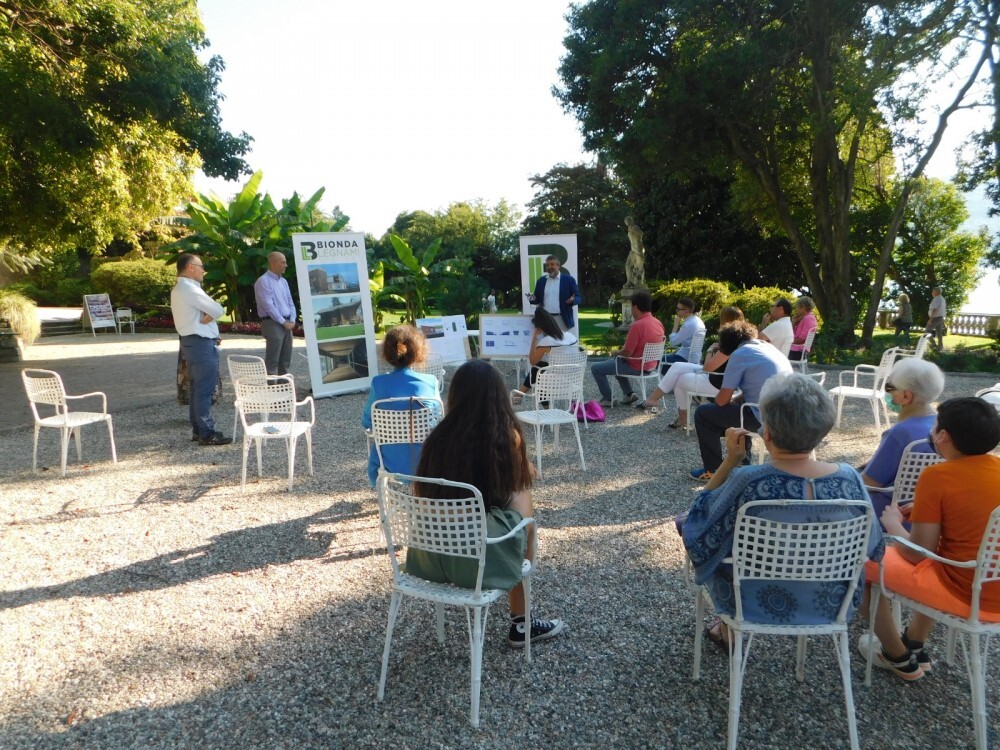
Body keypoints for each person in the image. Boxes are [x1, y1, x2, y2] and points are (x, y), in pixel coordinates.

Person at [682, 373, 884, 647]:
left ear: (767, 432)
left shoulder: (748, 480)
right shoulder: (849, 478)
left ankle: (729, 631)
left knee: (714, 537)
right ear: (823, 429)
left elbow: (698, 521)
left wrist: (730, 461)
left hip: (750, 603)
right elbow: (874, 547)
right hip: (831, 604)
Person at [406, 359, 566, 647]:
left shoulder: (437, 437)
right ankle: (521, 622)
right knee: (522, 496)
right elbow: (504, 492)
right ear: (497, 395)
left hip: (431, 555)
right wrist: (523, 468)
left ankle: (522, 620)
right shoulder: (505, 437)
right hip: (480, 560)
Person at [863, 397, 1000, 681]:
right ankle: (914, 642)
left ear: (942, 436)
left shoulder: (938, 475)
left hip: (970, 595)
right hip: (990, 584)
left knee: (859, 564)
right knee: (947, 548)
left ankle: (895, 655)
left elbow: (917, 553)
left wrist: (892, 524)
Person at [690, 320, 792, 481]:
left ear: (727, 345)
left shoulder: (740, 354)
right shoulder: (767, 347)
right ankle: (743, 462)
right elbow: (757, 387)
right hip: (788, 413)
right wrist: (736, 400)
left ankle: (713, 469)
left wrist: (726, 400)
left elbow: (721, 401)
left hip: (766, 418)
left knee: (703, 414)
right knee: (740, 408)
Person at [859, 358, 944, 522]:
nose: (887, 392)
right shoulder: (942, 423)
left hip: (887, 512)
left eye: (889, 387)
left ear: (906, 396)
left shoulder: (900, 432)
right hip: (925, 512)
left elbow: (869, 482)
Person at [639, 309, 752, 429]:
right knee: (677, 365)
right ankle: (654, 399)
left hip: (718, 382)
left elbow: (707, 367)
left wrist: (710, 350)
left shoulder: (730, 340)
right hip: (721, 377)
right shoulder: (741, 338)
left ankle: (680, 418)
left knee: (679, 379)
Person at [360, 325, 440, 487]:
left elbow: (367, 421)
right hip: (426, 459)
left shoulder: (379, 383)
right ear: (418, 351)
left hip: (390, 459)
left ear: (388, 354)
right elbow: (439, 420)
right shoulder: (430, 382)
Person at [170, 253, 232, 446]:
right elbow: (218, 309)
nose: (203, 270)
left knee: (197, 388)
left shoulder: (181, 289)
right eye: (200, 266)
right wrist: (212, 313)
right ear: (190, 268)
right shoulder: (189, 289)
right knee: (204, 388)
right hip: (200, 343)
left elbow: (212, 311)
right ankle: (206, 432)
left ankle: (198, 430)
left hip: (192, 342)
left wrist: (210, 314)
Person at [591, 290, 665, 406]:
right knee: (618, 363)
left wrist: (615, 351)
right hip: (651, 365)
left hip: (637, 366)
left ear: (635, 307)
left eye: (631, 307)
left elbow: (627, 352)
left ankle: (608, 398)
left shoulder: (637, 325)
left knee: (596, 368)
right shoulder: (658, 323)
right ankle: (629, 394)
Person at [515, 307, 579, 398]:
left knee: (536, 371)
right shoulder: (570, 336)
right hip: (574, 378)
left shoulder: (547, 342)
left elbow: (532, 361)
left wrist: (534, 338)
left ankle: (519, 396)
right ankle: (518, 395)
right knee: (540, 366)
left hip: (556, 381)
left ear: (540, 328)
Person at [253, 251, 297, 376]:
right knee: (273, 360)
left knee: (285, 360)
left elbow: (290, 302)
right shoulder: (263, 281)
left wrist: (292, 320)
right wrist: (283, 322)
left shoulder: (283, 282)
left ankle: (284, 387)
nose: (286, 265)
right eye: (283, 262)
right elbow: (268, 306)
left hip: (287, 322)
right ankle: (273, 389)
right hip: (272, 323)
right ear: (273, 263)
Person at [528, 255, 580, 331]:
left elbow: (578, 297)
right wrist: (532, 298)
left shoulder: (569, 280)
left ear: (558, 266)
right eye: (547, 265)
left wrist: (573, 300)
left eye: (552, 264)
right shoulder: (541, 281)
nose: (549, 267)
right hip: (545, 319)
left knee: (561, 342)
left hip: (562, 319)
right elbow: (537, 299)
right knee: (547, 342)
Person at [663, 297, 705, 367]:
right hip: (695, 358)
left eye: (678, 309)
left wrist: (675, 325)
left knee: (658, 361)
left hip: (685, 359)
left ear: (687, 311)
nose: (676, 311)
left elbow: (672, 342)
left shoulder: (688, 324)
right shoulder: (698, 321)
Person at [787, 296, 818, 362]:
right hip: (798, 350)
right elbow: (792, 334)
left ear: (803, 307)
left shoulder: (808, 319)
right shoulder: (806, 318)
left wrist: (788, 342)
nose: (796, 310)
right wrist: (793, 323)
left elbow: (802, 339)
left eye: (797, 307)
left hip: (798, 350)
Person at [624, 216, 646, 289]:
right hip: (633, 250)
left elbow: (640, 236)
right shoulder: (629, 228)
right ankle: (629, 281)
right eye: (626, 221)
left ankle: (639, 282)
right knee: (628, 265)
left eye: (628, 220)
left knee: (639, 268)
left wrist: (640, 252)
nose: (626, 222)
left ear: (631, 221)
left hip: (638, 249)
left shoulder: (635, 228)